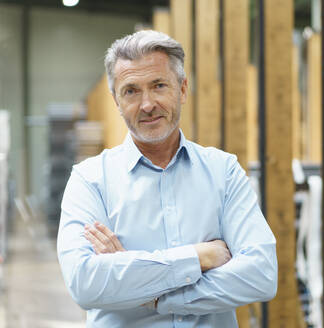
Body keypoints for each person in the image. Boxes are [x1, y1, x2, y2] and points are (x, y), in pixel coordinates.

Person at [57, 30, 277, 328]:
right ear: (116, 101)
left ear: (183, 89)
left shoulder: (223, 171)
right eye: (131, 91)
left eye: (158, 85)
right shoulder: (89, 181)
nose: (147, 104)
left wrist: (151, 294)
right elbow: (84, 283)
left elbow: (261, 275)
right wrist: (197, 258)